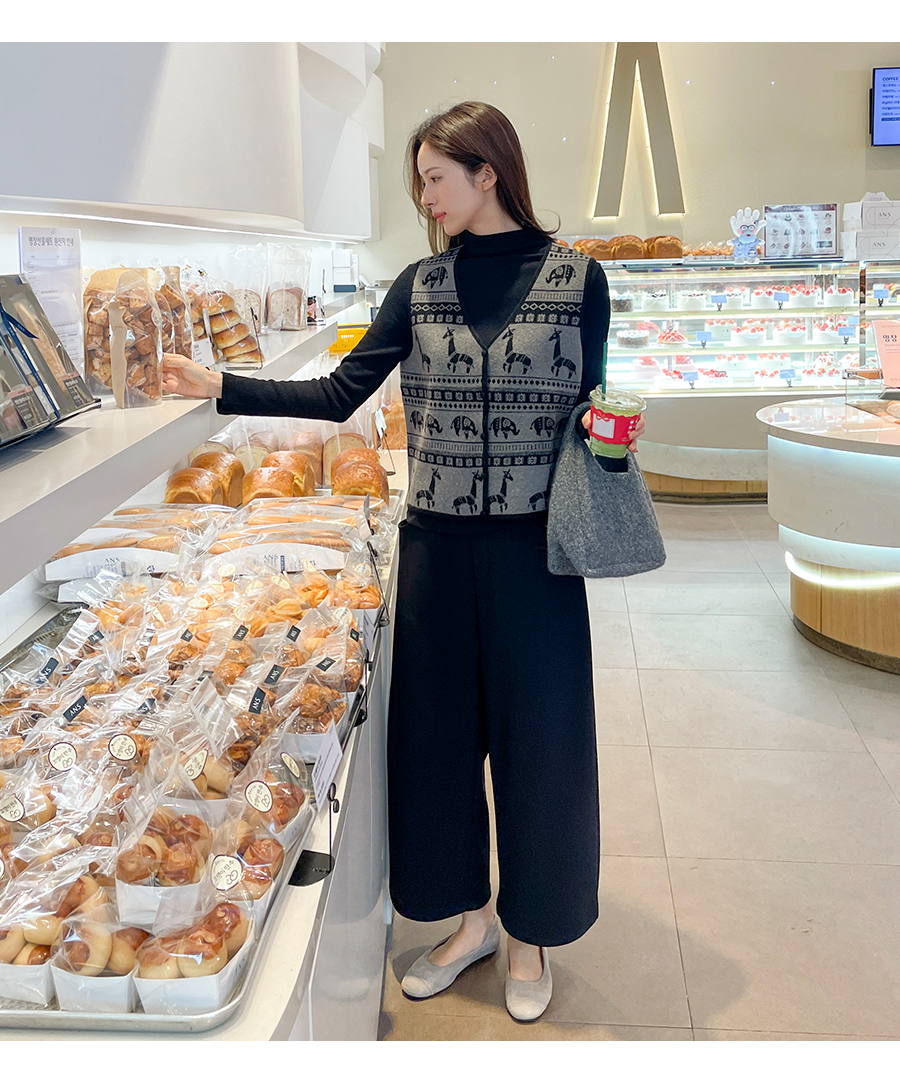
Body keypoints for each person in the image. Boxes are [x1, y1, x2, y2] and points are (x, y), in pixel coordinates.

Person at [162, 100, 644, 1023]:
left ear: (487, 172)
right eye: (419, 181)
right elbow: (342, 388)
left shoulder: (580, 278)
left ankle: (532, 931)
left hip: (538, 558)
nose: (425, 198)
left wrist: (613, 430)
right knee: (438, 747)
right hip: (435, 552)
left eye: (434, 178)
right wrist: (218, 383)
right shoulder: (419, 285)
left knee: (543, 747)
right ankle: (471, 923)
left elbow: (589, 404)